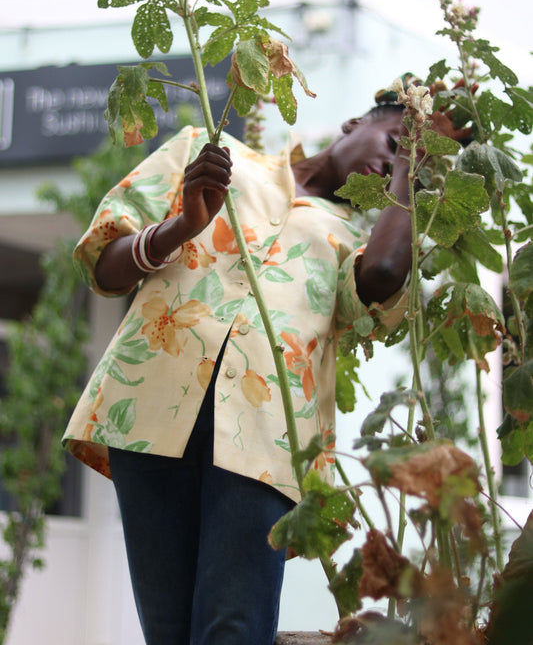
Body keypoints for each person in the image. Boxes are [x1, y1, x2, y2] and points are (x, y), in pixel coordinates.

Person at [63, 78, 464, 645]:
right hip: (148, 412)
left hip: (266, 439)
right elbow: (103, 260)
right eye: (397, 142)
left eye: (412, 167)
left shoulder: (358, 239)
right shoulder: (208, 150)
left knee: (234, 628)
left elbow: (379, 280)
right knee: (169, 631)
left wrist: (413, 172)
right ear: (354, 124)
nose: (397, 163)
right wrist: (182, 226)